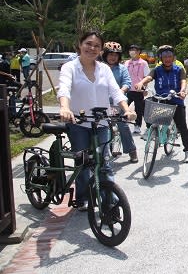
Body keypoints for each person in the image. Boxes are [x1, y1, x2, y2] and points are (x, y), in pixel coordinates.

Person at [58, 31, 136, 211]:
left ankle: (108, 200)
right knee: (84, 162)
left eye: (96, 46)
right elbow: (64, 89)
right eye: (88, 44)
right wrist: (65, 107)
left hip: (101, 123)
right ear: (79, 44)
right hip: (78, 122)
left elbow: (116, 92)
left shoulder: (104, 69)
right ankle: (84, 197)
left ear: (101, 50)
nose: (92, 48)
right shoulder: (69, 67)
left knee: (104, 163)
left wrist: (126, 110)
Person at [134, 45, 188, 162]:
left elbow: (183, 81)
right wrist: (141, 83)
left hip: (176, 100)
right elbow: (149, 78)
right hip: (160, 99)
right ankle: (150, 128)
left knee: (182, 126)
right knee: (144, 104)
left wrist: (182, 91)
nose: (167, 59)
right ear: (160, 58)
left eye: (170, 56)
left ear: (174, 57)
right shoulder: (157, 70)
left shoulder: (179, 69)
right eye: (164, 56)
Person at [101, 41, 139, 163]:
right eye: (110, 54)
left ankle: (131, 150)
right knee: (102, 127)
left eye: (116, 55)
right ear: (105, 55)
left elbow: (127, 83)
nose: (113, 57)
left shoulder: (122, 68)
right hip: (102, 102)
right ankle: (102, 154)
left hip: (119, 102)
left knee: (123, 126)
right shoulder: (99, 67)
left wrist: (121, 92)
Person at [124, 44, 150, 134]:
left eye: (134, 50)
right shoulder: (127, 63)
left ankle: (137, 125)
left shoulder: (143, 63)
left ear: (139, 52)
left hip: (138, 90)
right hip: (127, 89)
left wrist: (145, 89)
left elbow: (147, 77)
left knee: (139, 109)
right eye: (131, 50)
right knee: (123, 107)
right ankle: (122, 124)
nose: (132, 52)